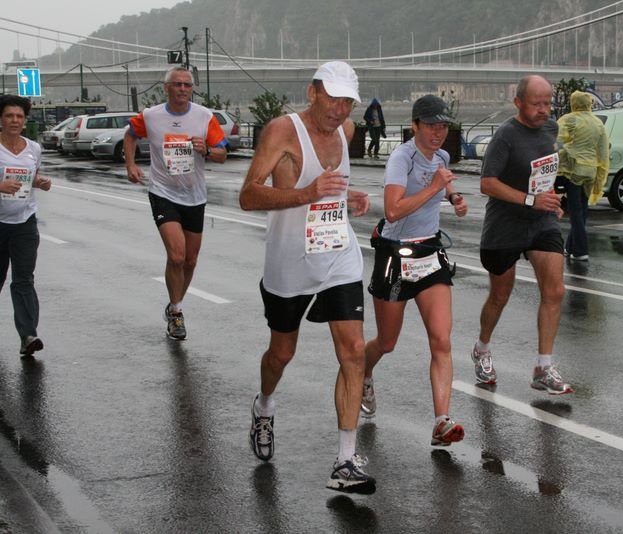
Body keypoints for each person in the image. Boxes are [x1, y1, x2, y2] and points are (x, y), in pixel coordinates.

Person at [239, 61, 375, 495]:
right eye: (332, 97)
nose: (339, 109)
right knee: (281, 354)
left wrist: (347, 196)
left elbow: (328, 189)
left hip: (338, 255)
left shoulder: (347, 132)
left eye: (347, 101)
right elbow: (247, 195)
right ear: (312, 92)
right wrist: (307, 193)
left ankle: (345, 460)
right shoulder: (282, 131)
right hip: (289, 262)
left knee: (353, 351)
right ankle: (264, 406)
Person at [361, 95, 468, 447]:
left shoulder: (442, 156)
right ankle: (362, 371)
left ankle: (441, 420)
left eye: (443, 126)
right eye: (432, 125)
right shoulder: (400, 159)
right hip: (394, 256)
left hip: (429, 251)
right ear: (415, 126)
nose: (439, 133)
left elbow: (443, 176)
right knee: (387, 342)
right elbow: (392, 211)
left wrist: (453, 196)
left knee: (441, 339)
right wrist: (436, 188)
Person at [470, 75, 573, 395]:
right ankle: (482, 348)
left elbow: (544, 171)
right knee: (500, 295)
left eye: (548, 103)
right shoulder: (505, 137)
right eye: (536, 104)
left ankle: (544, 366)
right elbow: (487, 183)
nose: (544, 110)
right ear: (518, 103)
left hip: (541, 223)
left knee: (555, 290)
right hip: (505, 224)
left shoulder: (551, 129)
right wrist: (530, 199)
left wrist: (551, 199)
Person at [125, 66, 227, 340]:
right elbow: (130, 134)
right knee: (177, 255)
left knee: (191, 260)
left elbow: (222, 154)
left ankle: (173, 305)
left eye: (187, 85)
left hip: (194, 195)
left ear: (191, 89)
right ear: (166, 87)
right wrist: (131, 165)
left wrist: (205, 148)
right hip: (163, 192)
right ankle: (178, 312)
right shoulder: (151, 116)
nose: (183, 89)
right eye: (177, 84)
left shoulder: (204, 116)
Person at [0, 95, 52, 357]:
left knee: (23, 280)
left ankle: (28, 335)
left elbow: (30, 177)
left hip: (24, 222)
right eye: (9, 115)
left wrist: (39, 181)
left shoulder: (33, 148)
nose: (15, 120)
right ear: (1, 119)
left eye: (19, 116)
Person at [557, 90, 610, 262]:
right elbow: (603, 152)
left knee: (575, 212)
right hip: (591, 171)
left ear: (574, 103)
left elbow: (556, 139)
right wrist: (600, 175)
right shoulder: (598, 123)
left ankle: (580, 251)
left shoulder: (570, 119)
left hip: (574, 170)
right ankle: (570, 247)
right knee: (582, 211)